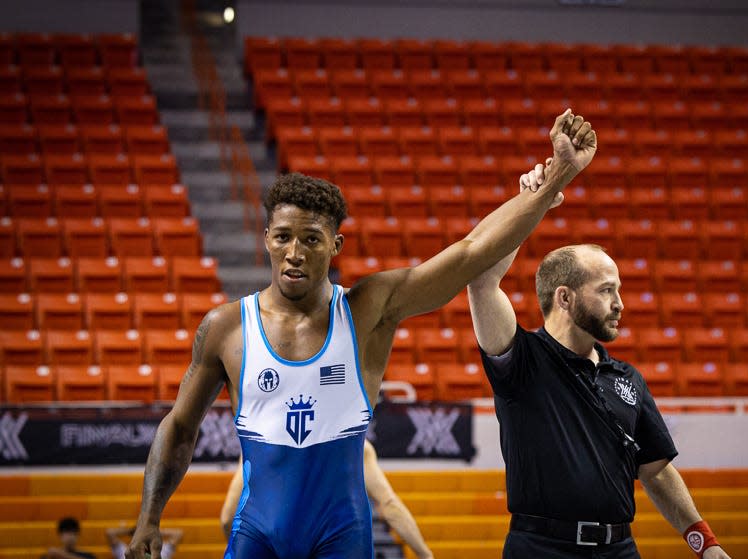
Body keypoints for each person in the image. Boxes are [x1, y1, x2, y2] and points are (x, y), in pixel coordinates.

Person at [126, 109, 597, 559]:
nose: (294, 253)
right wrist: (149, 516)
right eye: (283, 237)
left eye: (311, 239)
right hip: (257, 536)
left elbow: (470, 253)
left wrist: (556, 177)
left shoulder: (367, 308)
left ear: (336, 245)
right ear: (266, 236)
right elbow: (180, 426)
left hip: (342, 536)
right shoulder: (226, 327)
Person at [464, 161, 732, 558]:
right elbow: (481, 279)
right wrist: (531, 202)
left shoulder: (627, 378)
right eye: (606, 290)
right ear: (565, 297)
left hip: (619, 549)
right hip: (540, 549)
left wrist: (705, 543)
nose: (619, 304)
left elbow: (655, 470)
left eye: (618, 290)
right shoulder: (522, 361)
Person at [220, 440, 434, 559]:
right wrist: (425, 556)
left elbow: (228, 517)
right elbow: (389, 506)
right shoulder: (356, 447)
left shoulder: (259, 444)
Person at [107, 526, 181, 559]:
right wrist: (132, 531)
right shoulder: (124, 551)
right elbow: (110, 533)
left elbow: (178, 533)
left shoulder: (162, 551)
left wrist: (152, 531)